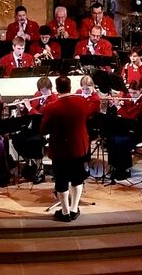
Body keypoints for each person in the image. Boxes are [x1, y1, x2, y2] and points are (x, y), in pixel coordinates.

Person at [41, 76, 89, 222]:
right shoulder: (82, 101)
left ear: (56, 89)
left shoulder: (51, 107)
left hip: (60, 149)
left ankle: (65, 212)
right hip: (79, 147)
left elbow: (43, 130)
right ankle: (74, 209)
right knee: (77, 178)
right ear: (70, 87)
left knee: (61, 181)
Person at [12, 76, 57, 184]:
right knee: (16, 139)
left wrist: (29, 108)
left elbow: (42, 116)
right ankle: (30, 163)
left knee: (35, 141)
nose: (43, 93)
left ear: (50, 88)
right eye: (41, 90)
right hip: (34, 127)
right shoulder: (37, 95)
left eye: (46, 90)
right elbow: (29, 114)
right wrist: (21, 108)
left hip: (46, 128)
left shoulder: (54, 99)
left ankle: (39, 169)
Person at [106, 80, 142, 181]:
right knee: (111, 138)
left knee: (122, 140)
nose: (131, 95)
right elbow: (126, 111)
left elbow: (129, 117)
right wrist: (117, 103)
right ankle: (116, 166)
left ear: (141, 90)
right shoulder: (130, 98)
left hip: (141, 132)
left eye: (134, 93)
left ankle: (125, 169)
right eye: (130, 92)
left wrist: (118, 106)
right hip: (130, 129)